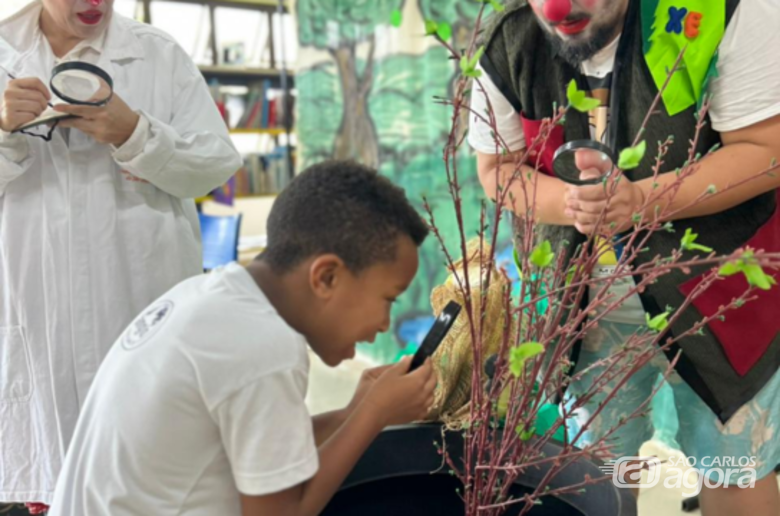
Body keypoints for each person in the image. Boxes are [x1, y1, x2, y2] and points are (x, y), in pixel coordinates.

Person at [469, 1, 780, 514]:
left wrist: (641, 202)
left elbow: (765, 150)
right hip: (580, 307)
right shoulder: (513, 38)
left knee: (732, 473)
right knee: (600, 475)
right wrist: (575, 204)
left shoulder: (722, 12)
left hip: (717, 293)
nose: (558, 7)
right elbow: (496, 169)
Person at [48, 160, 437, 516]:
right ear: (326, 277)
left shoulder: (209, 298)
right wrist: (374, 415)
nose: (386, 323)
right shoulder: (263, 345)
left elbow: (262, 448)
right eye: (388, 299)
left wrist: (351, 411)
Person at [0, 0, 242, 507]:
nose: (95, 4)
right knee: (56, 480)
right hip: (35, 313)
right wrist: (3, 134)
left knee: (153, 483)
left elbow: (216, 163)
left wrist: (136, 133)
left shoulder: (156, 55)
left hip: (138, 303)